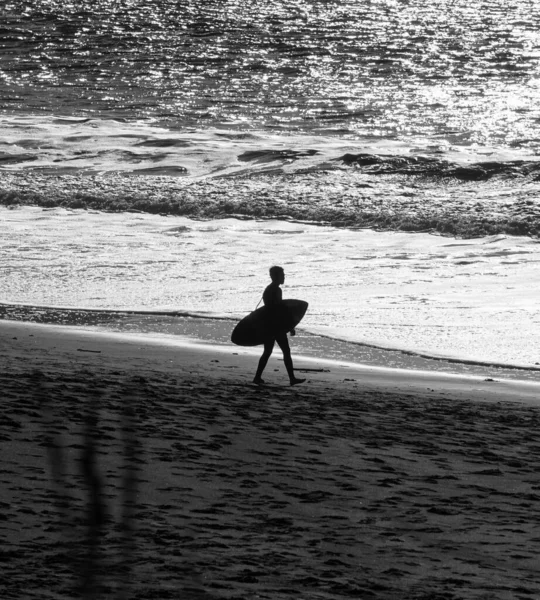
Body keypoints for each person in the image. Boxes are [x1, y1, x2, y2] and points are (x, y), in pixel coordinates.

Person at [253, 266, 306, 386]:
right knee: (285, 351)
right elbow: (279, 310)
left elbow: (271, 309)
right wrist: (290, 326)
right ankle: (292, 379)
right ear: (276, 276)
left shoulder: (269, 289)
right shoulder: (276, 290)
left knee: (267, 351)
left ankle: (257, 377)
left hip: (268, 325)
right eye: (282, 275)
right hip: (276, 326)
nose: (284, 277)